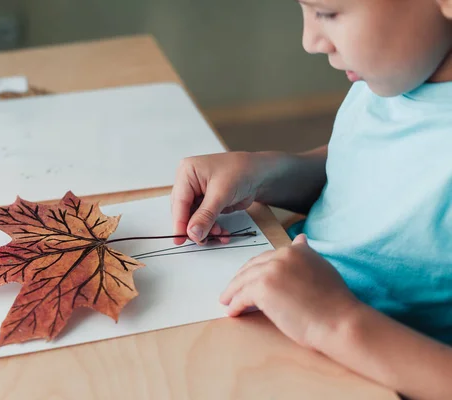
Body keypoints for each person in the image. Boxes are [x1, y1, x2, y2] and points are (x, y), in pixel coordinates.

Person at [170, 0, 452, 398]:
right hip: (288, 322)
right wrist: (265, 174)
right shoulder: (396, 75)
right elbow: (367, 179)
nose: (310, 41)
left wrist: (337, 322)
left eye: (328, 12)